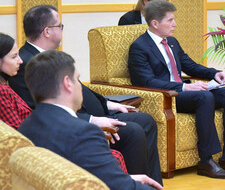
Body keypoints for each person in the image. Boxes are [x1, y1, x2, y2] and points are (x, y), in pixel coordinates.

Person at [19, 50, 225, 190]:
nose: (80, 86)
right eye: (78, 79)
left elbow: (75, 177)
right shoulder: (83, 133)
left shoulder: (27, 127)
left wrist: (126, 178)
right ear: (67, 84)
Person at [8, 5, 162, 183]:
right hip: (79, 121)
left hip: (96, 112)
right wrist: (92, 120)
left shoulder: (50, 55)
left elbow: (81, 87)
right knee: (133, 131)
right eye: (60, 26)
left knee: (146, 120)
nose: (62, 31)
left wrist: (108, 103)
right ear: (47, 31)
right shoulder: (27, 62)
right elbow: (41, 108)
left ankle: (152, 185)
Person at [128, 0, 225, 179]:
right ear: (155, 23)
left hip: (186, 91)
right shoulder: (139, 47)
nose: (175, 24)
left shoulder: (172, 42)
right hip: (168, 96)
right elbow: (147, 82)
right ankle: (206, 161)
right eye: (170, 20)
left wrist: (215, 73)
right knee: (204, 97)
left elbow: (191, 66)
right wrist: (184, 87)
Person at [0, 32, 129, 171]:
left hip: (41, 143)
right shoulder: (1, 92)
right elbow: (18, 138)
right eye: (14, 57)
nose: (20, 60)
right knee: (115, 156)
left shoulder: (4, 85)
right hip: (38, 153)